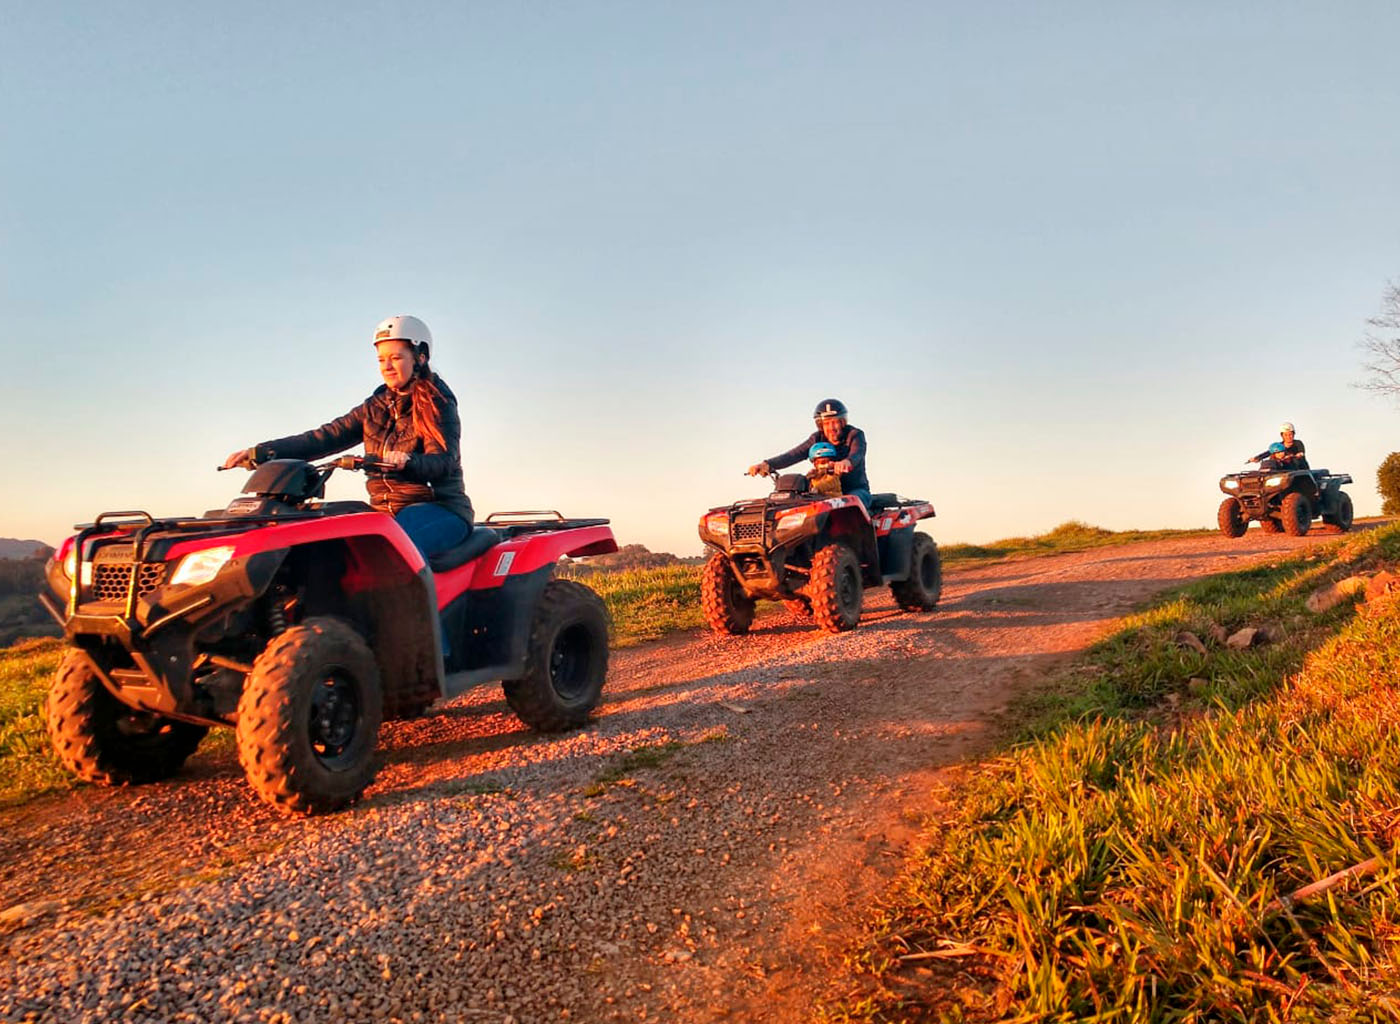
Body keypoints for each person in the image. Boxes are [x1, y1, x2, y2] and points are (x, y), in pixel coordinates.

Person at [222, 314, 474, 560]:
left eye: (396, 358)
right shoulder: (376, 406)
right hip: (385, 512)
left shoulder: (436, 401)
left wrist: (407, 462)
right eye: (381, 359)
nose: (386, 366)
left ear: (420, 358)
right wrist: (262, 452)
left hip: (440, 508)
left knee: (389, 551)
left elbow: (443, 461)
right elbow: (325, 437)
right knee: (328, 542)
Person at [747, 398, 871, 508]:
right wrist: (766, 465)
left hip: (854, 490)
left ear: (842, 422)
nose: (832, 427)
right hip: (824, 492)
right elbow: (794, 455)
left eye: (835, 422)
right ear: (820, 425)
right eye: (827, 423)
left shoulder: (855, 435)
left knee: (847, 505)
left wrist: (846, 462)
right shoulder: (817, 439)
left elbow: (857, 454)